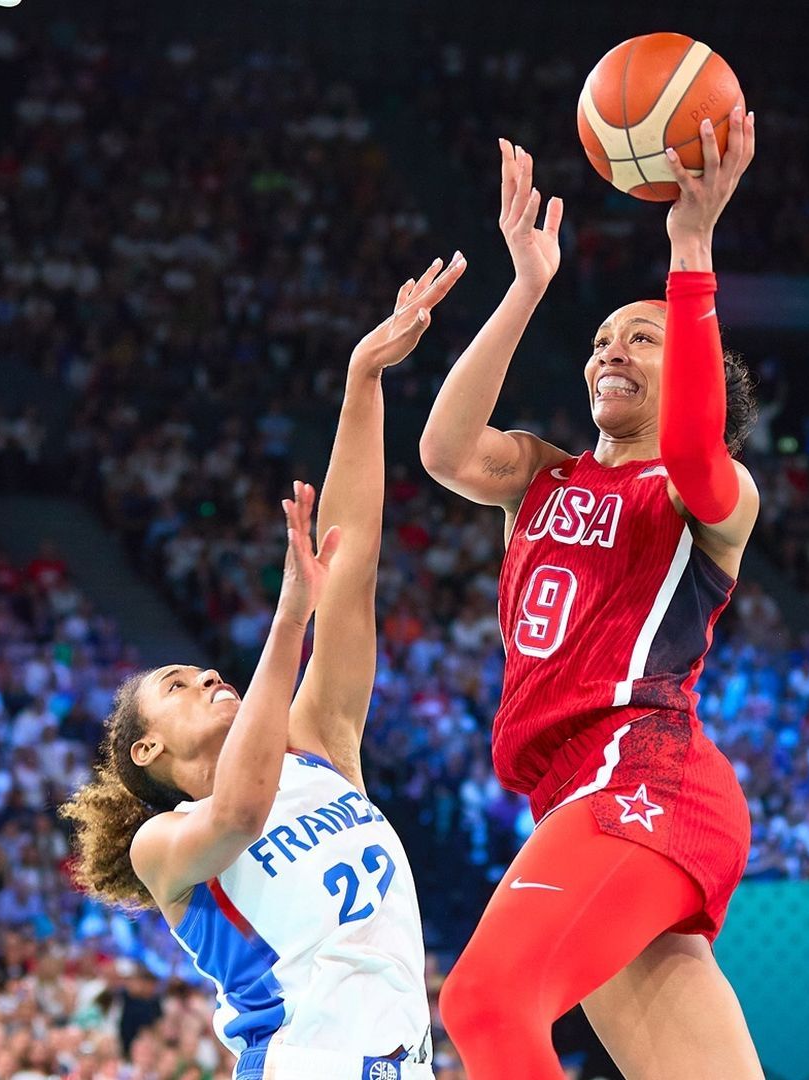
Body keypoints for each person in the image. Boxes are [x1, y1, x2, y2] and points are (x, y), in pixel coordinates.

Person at [420, 108, 764, 1079]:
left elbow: (695, 447)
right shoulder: (543, 475)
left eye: (644, 340)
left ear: (690, 374)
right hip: (573, 792)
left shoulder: (711, 493)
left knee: (483, 1004)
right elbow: (444, 450)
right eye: (604, 338)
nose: (612, 350)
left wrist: (689, 247)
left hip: (644, 773)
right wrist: (527, 285)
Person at [61, 256, 465, 1080]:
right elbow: (242, 812)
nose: (209, 678)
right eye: (177, 686)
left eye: (203, 672)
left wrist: (362, 382)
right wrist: (289, 616)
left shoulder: (318, 751)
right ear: (146, 750)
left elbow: (351, 567)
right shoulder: (163, 847)